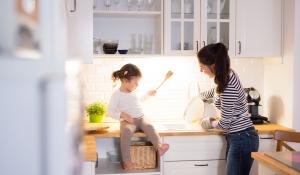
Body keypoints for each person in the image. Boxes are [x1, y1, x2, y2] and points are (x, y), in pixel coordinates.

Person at [197, 43, 259, 175]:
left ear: (212, 65)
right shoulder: (225, 77)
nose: (201, 70)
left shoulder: (228, 84)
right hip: (238, 137)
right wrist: (199, 97)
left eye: (202, 66)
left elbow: (225, 124)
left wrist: (209, 121)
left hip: (242, 138)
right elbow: (215, 92)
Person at [108, 63, 169, 170]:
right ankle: (127, 161)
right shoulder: (116, 95)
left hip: (141, 117)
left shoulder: (135, 91)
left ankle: (159, 147)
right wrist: (121, 115)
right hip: (128, 121)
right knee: (126, 132)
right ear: (125, 81)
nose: (137, 85)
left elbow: (139, 102)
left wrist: (148, 95)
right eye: (135, 82)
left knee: (150, 126)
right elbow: (110, 111)